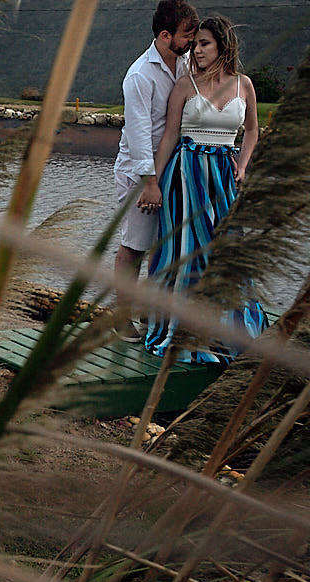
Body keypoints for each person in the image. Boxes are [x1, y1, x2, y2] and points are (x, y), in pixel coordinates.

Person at [141, 14, 267, 362]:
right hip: (186, 176)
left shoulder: (244, 84)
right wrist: (153, 182)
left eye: (204, 44)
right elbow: (169, 136)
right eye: (194, 44)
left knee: (224, 251)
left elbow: (253, 131)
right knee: (184, 254)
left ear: (222, 46)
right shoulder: (185, 85)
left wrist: (242, 164)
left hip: (224, 178)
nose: (196, 51)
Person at [112, 0, 199, 340]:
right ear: (165, 36)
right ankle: (121, 319)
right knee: (134, 246)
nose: (191, 42)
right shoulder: (139, 76)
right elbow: (137, 135)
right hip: (140, 173)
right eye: (186, 35)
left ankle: (150, 313)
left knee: (163, 246)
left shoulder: (184, 62)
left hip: (174, 167)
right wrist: (149, 183)